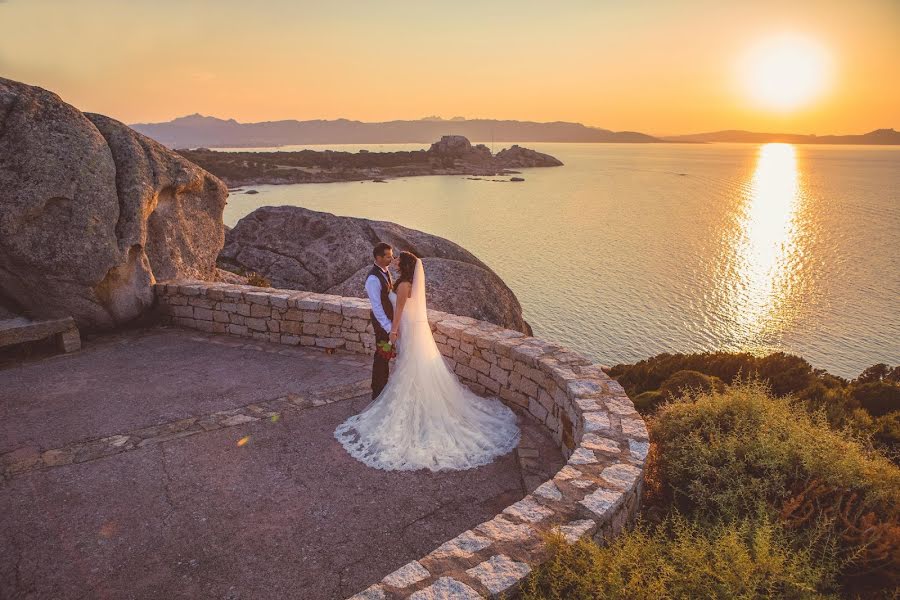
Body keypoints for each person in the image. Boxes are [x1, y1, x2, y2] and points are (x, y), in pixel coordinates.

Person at [335, 250, 520, 472]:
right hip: (412, 327)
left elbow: (400, 309)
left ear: (404, 265)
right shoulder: (406, 282)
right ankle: (419, 403)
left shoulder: (403, 285)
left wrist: (392, 332)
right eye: (391, 258)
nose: (394, 262)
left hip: (406, 328)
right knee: (411, 367)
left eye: (397, 260)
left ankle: (416, 408)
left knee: (409, 367)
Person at [364, 242, 396, 399]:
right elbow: (377, 307)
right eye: (388, 256)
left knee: (385, 356)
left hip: (388, 323)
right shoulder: (373, 279)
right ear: (378, 257)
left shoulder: (385, 271)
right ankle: (377, 391)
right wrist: (389, 327)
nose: (392, 258)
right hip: (382, 324)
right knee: (381, 356)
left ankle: (382, 387)